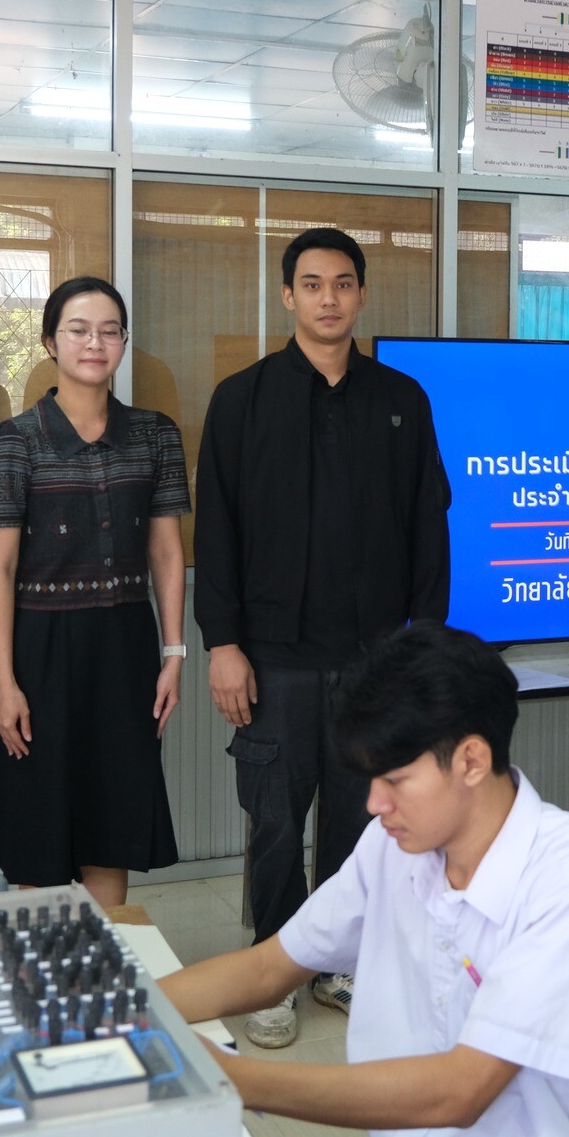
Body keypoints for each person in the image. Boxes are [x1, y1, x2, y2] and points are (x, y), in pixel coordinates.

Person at [157, 622, 569, 1137]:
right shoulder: (392, 847)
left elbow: (459, 1092)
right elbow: (268, 969)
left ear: (472, 761)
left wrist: (235, 1079)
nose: (375, 804)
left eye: (394, 781)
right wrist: (121, 1011)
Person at [194, 225, 452, 1046]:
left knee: (361, 819)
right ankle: (272, 970)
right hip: (273, 657)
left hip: (373, 658)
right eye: (312, 284)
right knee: (274, 821)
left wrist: (423, 647)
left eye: (343, 283)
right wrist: (223, 642)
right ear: (288, 296)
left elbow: (428, 527)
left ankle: (338, 960)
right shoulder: (242, 399)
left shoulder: (402, 400)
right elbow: (217, 531)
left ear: (362, 294)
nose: (328, 298)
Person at [0, 277, 189, 909]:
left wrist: (174, 652)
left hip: (125, 647)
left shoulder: (155, 434)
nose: (95, 343)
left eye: (109, 331)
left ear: (123, 342)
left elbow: (166, 551)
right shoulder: (7, 442)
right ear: (49, 342)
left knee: (110, 826)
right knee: (35, 828)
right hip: (39, 652)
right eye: (78, 330)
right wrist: (4, 683)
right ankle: (45, 966)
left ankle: (105, 963)